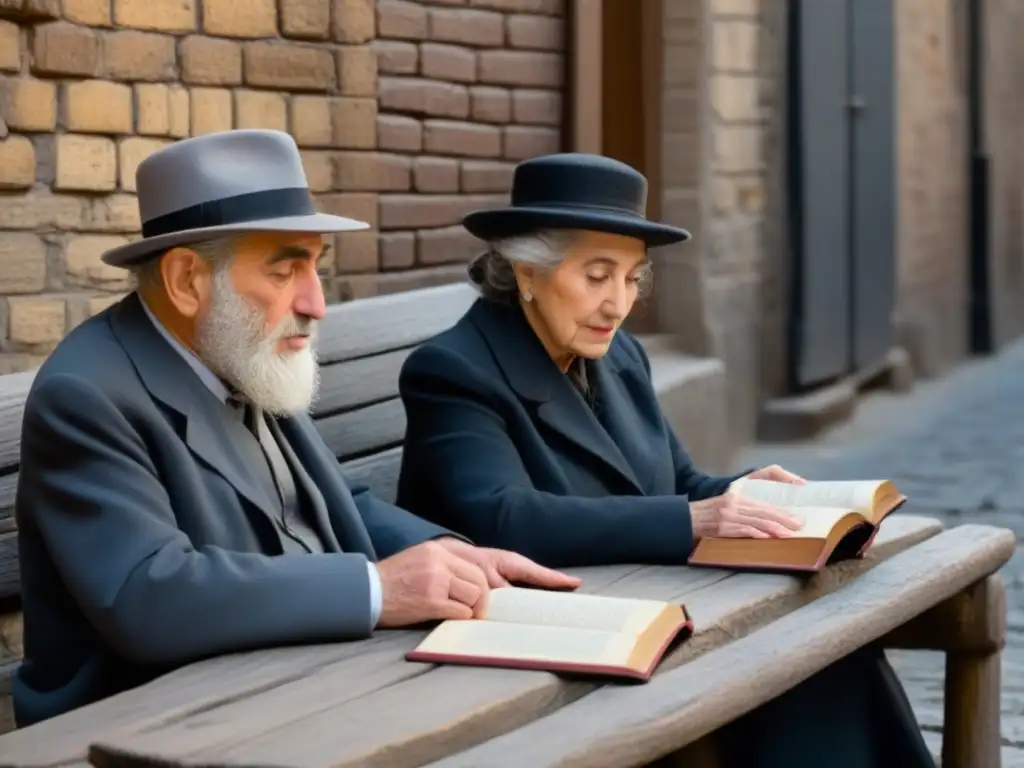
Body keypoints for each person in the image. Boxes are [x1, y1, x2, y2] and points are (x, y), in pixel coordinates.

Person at [12, 130, 578, 729]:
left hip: (292, 685)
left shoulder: (235, 347)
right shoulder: (87, 395)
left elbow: (335, 501)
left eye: (316, 266)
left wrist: (452, 556)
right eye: (285, 272)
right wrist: (379, 589)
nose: (315, 302)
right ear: (185, 280)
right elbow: (149, 594)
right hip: (150, 724)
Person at [395, 153, 935, 767]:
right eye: (596, 276)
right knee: (790, 668)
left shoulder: (616, 354)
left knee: (831, 652)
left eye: (632, 278)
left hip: (640, 599)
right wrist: (693, 520)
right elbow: (502, 519)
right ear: (525, 272)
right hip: (534, 633)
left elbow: (676, 483)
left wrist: (745, 493)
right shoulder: (456, 370)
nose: (618, 304)